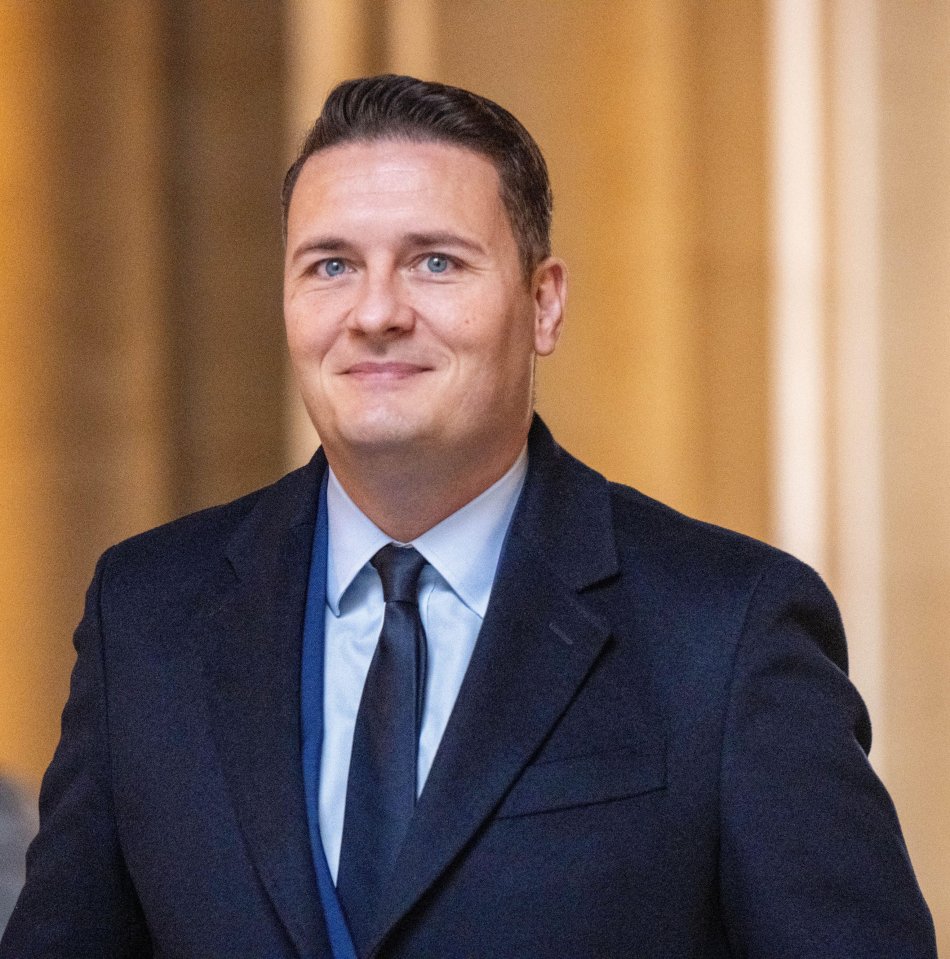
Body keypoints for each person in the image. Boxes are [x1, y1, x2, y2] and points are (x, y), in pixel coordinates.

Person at [1, 74, 936, 959]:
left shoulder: (728, 629)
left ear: (543, 304)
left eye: (435, 262)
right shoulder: (148, 613)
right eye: (331, 265)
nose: (375, 312)